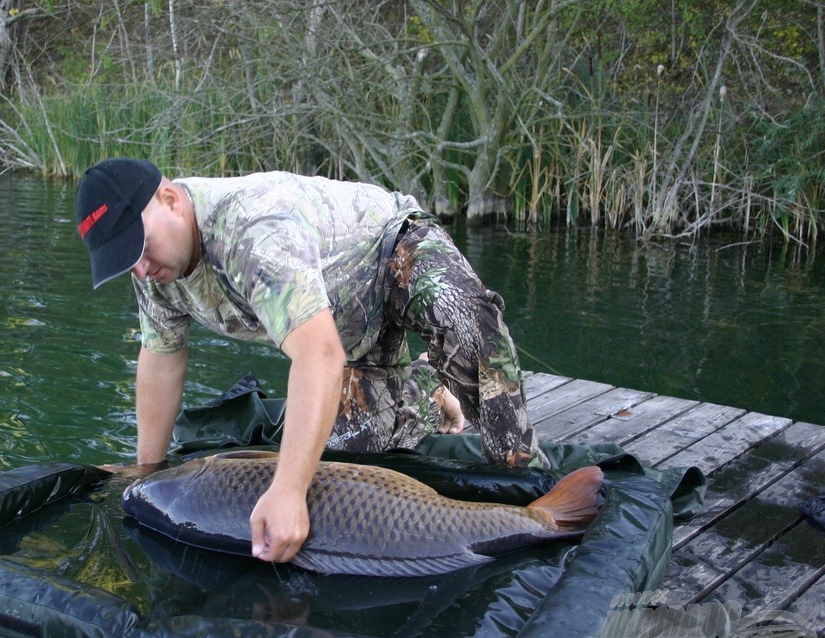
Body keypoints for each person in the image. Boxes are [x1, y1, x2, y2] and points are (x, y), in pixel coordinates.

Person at [75, 157, 546, 566]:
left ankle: (532, 486)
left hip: (394, 252)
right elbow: (160, 356)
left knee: (464, 323)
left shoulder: (253, 229)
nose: (139, 268)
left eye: (140, 246)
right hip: (344, 327)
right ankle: (427, 387)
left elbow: (317, 355)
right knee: (356, 455)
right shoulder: (154, 272)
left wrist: (288, 490)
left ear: (170, 199)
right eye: (125, 259)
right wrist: (148, 470)